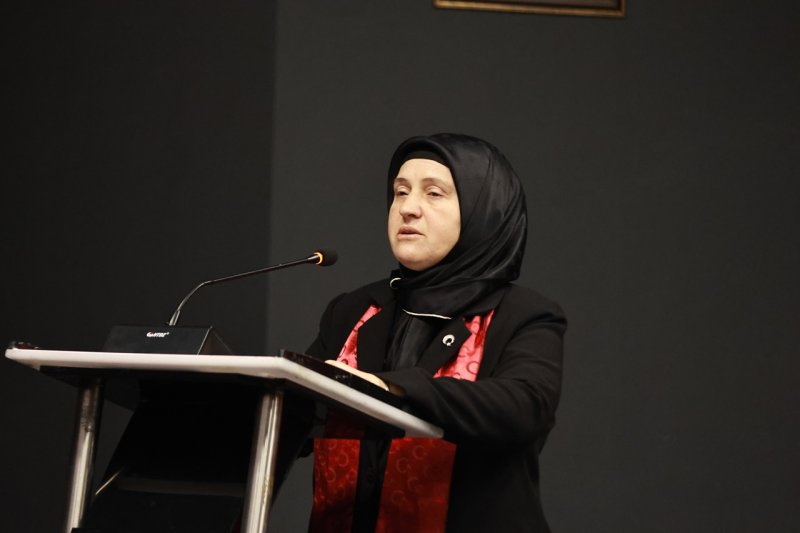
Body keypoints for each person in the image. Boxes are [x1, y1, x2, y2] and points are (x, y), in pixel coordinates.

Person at [304, 133, 566, 533]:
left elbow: (524, 407)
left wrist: (391, 390)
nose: (408, 208)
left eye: (433, 193)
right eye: (400, 192)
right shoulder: (354, 310)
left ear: (482, 210)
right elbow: (297, 416)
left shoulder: (522, 314)